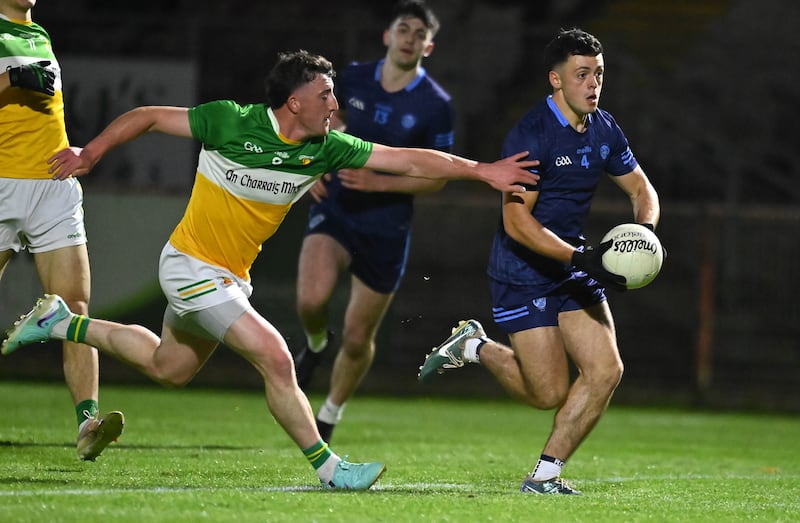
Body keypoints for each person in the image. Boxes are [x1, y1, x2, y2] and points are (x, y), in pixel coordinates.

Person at [1, 50, 537, 489]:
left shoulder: (324, 148)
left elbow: (409, 160)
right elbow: (146, 117)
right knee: (277, 359)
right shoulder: (231, 120)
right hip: (189, 266)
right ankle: (331, 470)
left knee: (170, 368)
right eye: (325, 94)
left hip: (229, 277)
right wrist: (90, 153)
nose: (335, 102)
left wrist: (482, 170)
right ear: (294, 101)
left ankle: (59, 323)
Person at [417, 28, 661, 495]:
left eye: (599, 74)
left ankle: (545, 476)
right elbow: (516, 224)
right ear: (556, 79)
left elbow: (641, 190)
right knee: (545, 393)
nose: (593, 84)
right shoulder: (531, 135)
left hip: (573, 266)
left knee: (607, 371)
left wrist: (643, 234)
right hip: (523, 271)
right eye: (582, 74)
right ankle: (474, 346)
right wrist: (581, 257)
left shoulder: (604, 128)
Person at [293, 0, 452, 443]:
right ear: (388, 35)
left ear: (429, 46)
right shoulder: (355, 77)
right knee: (310, 299)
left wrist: (380, 183)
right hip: (338, 208)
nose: (409, 38)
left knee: (360, 337)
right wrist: (310, 168)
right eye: (404, 28)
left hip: (387, 226)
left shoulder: (436, 105)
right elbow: (322, 125)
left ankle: (329, 414)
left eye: (419, 33)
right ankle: (316, 344)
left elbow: (435, 179)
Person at [0, 0, 123, 461]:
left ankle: (88, 423)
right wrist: (11, 79)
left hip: (52, 185)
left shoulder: (40, 34)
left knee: (73, 307)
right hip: (2, 182)